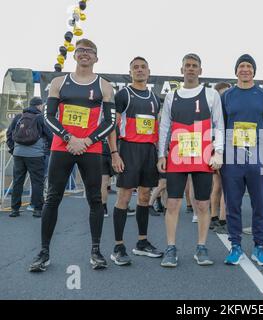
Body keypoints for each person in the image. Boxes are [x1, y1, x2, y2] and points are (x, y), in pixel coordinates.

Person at [29, 39, 116, 272]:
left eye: (90, 51)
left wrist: (87, 141)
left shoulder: (105, 86)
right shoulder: (59, 82)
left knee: (96, 200)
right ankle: (44, 252)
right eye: (81, 51)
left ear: (96, 58)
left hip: (91, 149)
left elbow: (110, 122)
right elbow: (49, 116)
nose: (85, 54)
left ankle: (96, 251)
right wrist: (69, 138)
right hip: (62, 148)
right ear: (74, 55)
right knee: (52, 199)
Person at [158, 53, 224, 267]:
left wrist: (219, 152)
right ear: (182, 70)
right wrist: (161, 154)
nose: (191, 68)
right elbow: (165, 128)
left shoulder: (211, 94)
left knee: (203, 204)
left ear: (200, 70)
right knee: (173, 202)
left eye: (195, 65)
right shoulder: (172, 96)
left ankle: (201, 247)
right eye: (187, 65)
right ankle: (170, 248)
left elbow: (219, 125)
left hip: (203, 156)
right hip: (177, 157)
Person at [221, 54, 263, 266]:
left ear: (254, 71)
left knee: (260, 203)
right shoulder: (227, 96)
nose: (245, 69)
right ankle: (235, 246)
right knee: (233, 204)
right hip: (232, 157)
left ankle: (259, 247)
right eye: (241, 66)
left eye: (248, 66)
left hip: (258, 155)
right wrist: (219, 152)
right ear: (236, 71)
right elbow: (220, 125)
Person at [107, 57, 163, 266]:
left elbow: (158, 128)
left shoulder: (155, 98)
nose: (139, 70)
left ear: (149, 72)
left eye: (143, 67)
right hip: (128, 149)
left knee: (145, 196)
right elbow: (112, 126)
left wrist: (159, 155)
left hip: (148, 150)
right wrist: (115, 153)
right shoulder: (123, 95)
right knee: (123, 197)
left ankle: (142, 242)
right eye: (135, 68)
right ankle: (118, 246)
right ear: (130, 72)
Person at [6, 97, 53, 218]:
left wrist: (13, 149)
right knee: (37, 182)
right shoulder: (40, 118)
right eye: (42, 105)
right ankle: (37, 210)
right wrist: (46, 151)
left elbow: (9, 134)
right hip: (36, 155)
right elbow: (49, 136)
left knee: (17, 181)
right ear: (39, 106)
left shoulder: (19, 117)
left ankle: (14, 210)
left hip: (18, 154)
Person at [210, 82, 232, 234]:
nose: (226, 96)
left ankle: (215, 218)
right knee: (222, 186)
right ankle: (220, 220)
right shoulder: (215, 109)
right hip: (219, 147)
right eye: (223, 93)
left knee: (219, 185)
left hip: (224, 147)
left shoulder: (226, 108)